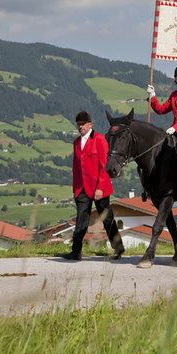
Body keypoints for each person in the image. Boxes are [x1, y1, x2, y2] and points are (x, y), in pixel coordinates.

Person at [62, 111, 124, 261]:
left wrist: (100, 188)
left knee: (106, 218)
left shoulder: (100, 140)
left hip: (99, 187)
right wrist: (76, 190)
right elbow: (76, 168)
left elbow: (104, 166)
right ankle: (76, 252)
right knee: (81, 220)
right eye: (78, 124)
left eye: (83, 124)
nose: (80, 127)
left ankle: (118, 248)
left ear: (90, 124)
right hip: (82, 188)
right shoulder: (76, 143)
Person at [146, 64, 177, 155]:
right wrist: (152, 96)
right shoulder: (174, 94)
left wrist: (175, 128)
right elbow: (160, 110)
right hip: (174, 132)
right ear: (175, 79)